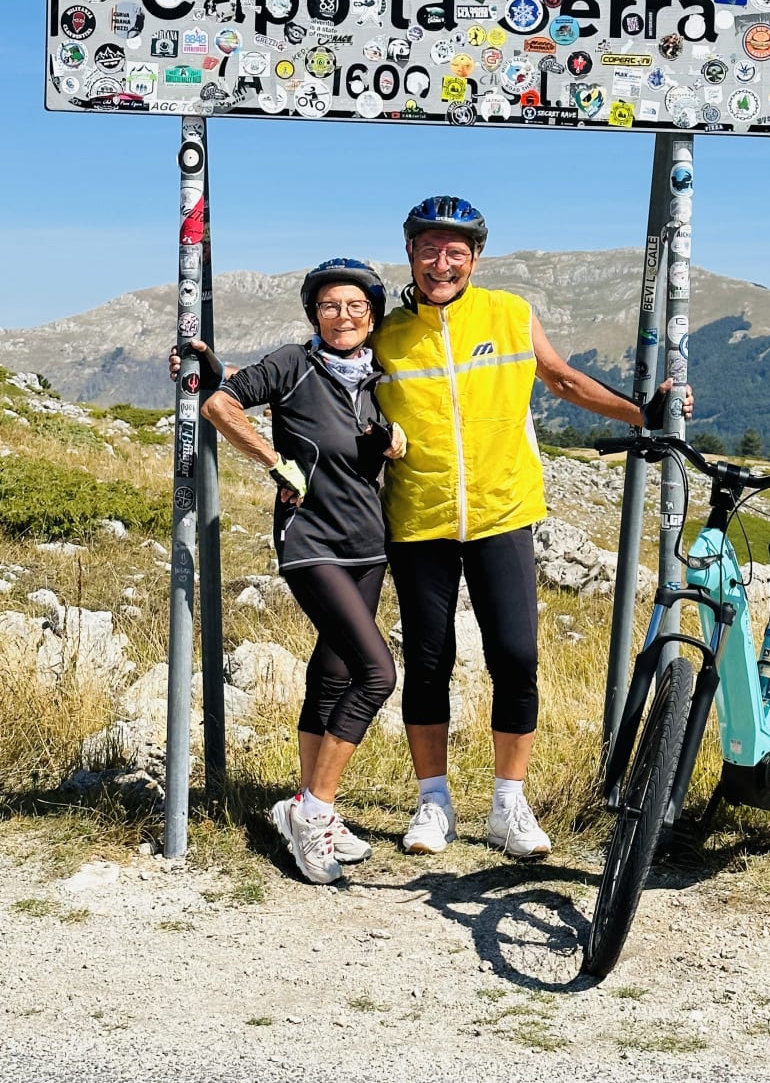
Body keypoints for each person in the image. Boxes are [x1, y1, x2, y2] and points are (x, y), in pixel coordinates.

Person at [373, 196, 693, 860]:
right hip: (419, 515)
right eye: (429, 249)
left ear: (475, 258)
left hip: (502, 510)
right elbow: (323, 366)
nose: (441, 262)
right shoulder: (387, 330)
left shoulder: (509, 315)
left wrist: (646, 414)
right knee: (429, 665)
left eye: (455, 251)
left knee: (516, 658)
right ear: (410, 253)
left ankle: (507, 805)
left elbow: (563, 380)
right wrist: (215, 376)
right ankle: (433, 801)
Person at [198, 258, 406, 884]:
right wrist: (273, 461)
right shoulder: (294, 362)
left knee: (332, 675)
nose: (342, 318)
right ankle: (312, 814)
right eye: (329, 307)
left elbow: (387, 442)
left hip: (368, 546)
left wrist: (393, 443)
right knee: (377, 675)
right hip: (310, 540)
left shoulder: (378, 379)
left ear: (372, 316)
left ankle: (308, 806)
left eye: (355, 308)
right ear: (314, 313)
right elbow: (221, 403)